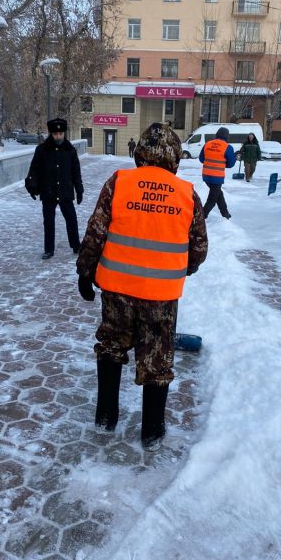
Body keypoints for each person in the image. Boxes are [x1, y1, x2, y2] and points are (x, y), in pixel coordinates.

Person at [76, 122, 208, 451]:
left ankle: (106, 417)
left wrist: (85, 272)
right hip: (161, 298)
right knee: (157, 359)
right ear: (175, 157)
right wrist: (180, 269)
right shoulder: (186, 193)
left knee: (110, 347)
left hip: (116, 290)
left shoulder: (119, 183)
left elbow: (95, 232)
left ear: (140, 154)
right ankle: (152, 430)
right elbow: (200, 248)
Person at [25, 117, 83, 259]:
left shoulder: (70, 150)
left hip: (65, 190)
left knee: (71, 219)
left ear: (64, 133)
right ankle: (49, 249)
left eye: (61, 134)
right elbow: (34, 170)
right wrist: (32, 186)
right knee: (49, 221)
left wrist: (79, 189)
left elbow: (76, 172)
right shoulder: (42, 150)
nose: (58, 137)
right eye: (55, 134)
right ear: (51, 134)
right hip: (48, 190)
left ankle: (76, 245)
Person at [199, 126, 236, 219]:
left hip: (206, 175)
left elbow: (201, 159)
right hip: (217, 177)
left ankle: (225, 214)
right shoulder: (227, 147)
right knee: (212, 199)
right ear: (227, 137)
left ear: (217, 134)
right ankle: (201, 216)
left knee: (218, 194)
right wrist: (223, 164)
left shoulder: (207, 144)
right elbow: (231, 163)